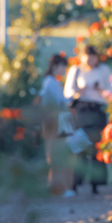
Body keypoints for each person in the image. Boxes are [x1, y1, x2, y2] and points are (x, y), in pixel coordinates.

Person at [63, 44, 112, 194]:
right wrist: (79, 91)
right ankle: (76, 182)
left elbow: (111, 91)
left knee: (97, 146)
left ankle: (96, 183)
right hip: (82, 110)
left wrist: (101, 90)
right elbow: (67, 93)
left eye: (93, 56)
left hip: (98, 109)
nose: (91, 60)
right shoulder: (76, 70)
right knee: (80, 145)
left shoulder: (103, 70)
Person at [40, 53, 75, 197]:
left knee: (54, 154)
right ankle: (60, 188)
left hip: (52, 122)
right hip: (55, 122)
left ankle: (56, 187)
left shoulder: (49, 81)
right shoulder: (52, 83)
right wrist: (73, 96)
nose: (64, 70)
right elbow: (61, 102)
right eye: (62, 67)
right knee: (58, 155)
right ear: (55, 66)